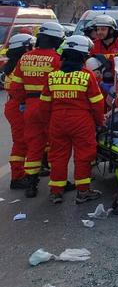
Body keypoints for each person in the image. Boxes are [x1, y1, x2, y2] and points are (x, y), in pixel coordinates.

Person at [38, 35, 105, 204]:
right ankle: (83, 192)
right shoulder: (87, 76)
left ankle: (56, 192)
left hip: (57, 121)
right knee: (83, 156)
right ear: (83, 56)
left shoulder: (52, 76)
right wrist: (100, 122)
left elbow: (44, 105)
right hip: (81, 122)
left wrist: (48, 124)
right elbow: (97, 104)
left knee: (58, 156)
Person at [7, 22, 65, 197]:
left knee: (32, 144)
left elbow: (15, 88)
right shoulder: (56, 60)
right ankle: (58, 180)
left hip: (28, 105)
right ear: (56, 40)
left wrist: (24, 103)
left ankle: (31, 183)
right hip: (49, 107)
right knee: (55, 144)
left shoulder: (24, 58)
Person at [3, 33, 35, 189]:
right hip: (18, 106)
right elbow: (17, 90)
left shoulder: (15, 64)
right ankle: (17, 177)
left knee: (26, 140)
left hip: (17, 105)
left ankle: (27, 170)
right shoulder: (17, 67)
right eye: (30, 46)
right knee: (21, 142)